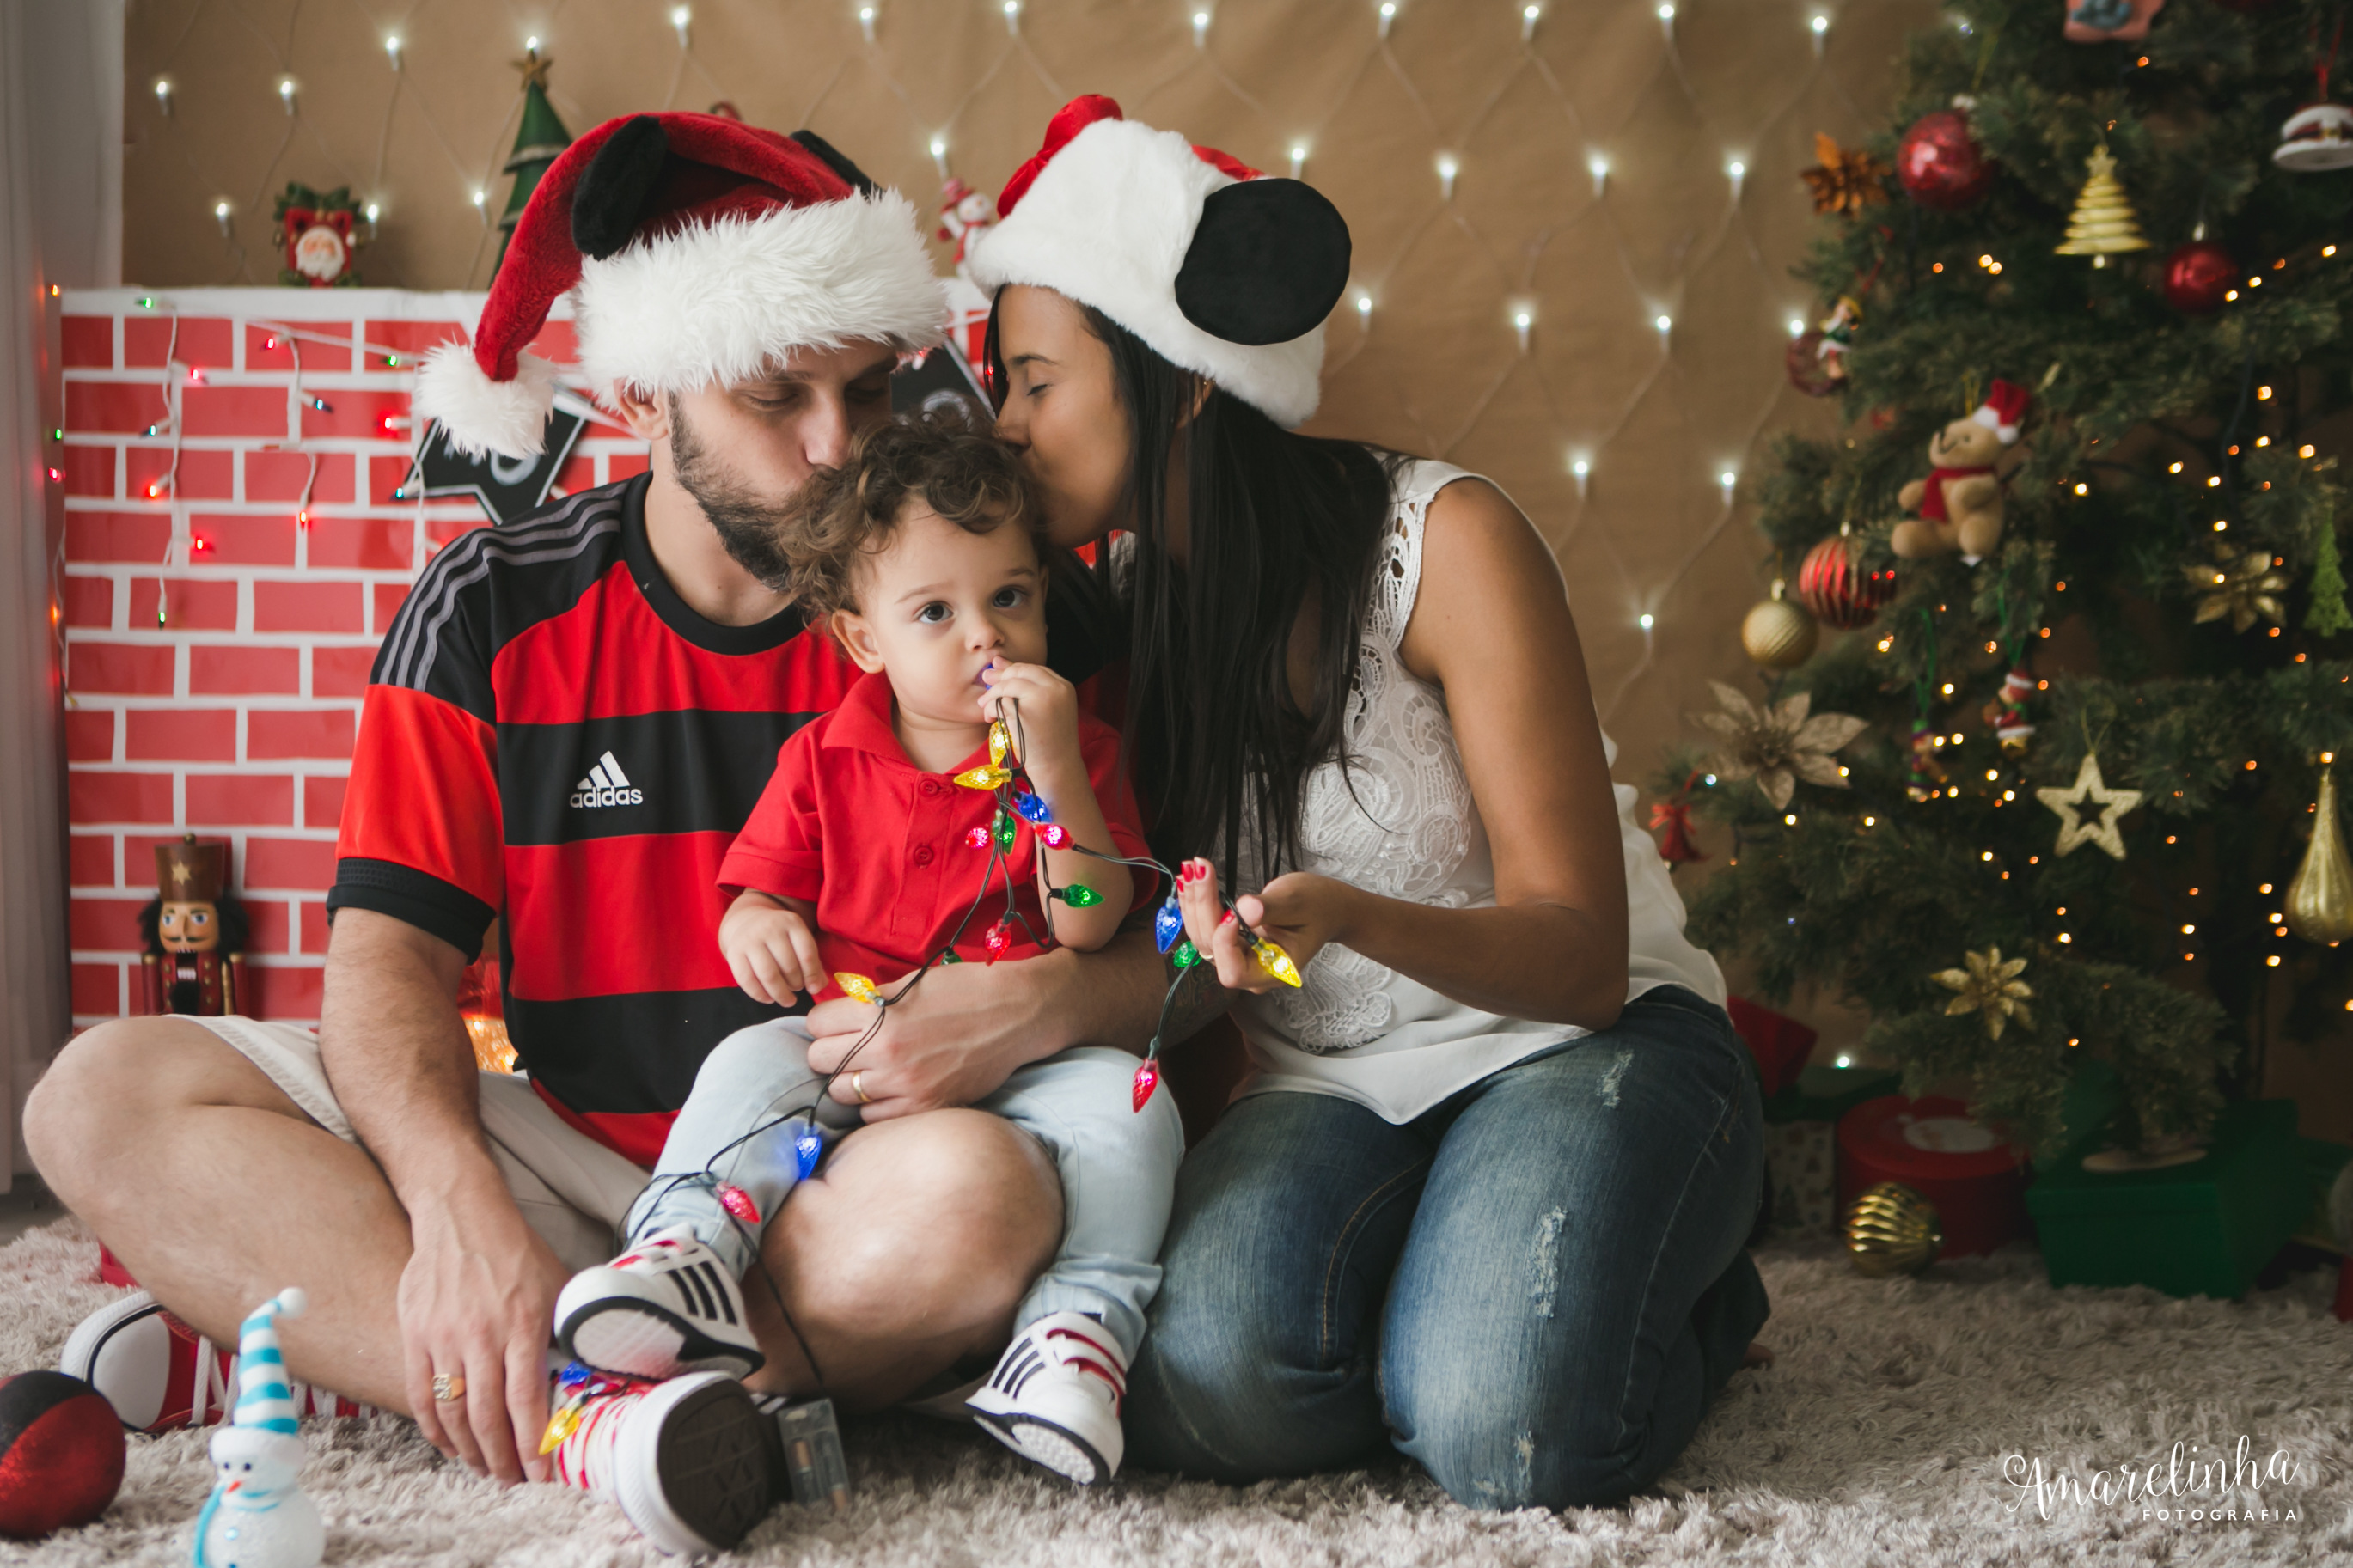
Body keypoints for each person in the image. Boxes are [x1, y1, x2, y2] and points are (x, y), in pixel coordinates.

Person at [29, 112, 1168, 1557]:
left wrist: (1034, 1010)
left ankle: (384, 1363)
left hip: (835, 1172)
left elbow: (1168, 950)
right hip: (563, 1161)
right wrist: (452, 1211)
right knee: (96, 1094)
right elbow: (384, 974)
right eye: (775, 398)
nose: (836, 449)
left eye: (868, 392)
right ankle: (593, 1406)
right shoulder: (492, 606)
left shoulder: (991, 601)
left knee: (981, 1198)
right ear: (640, 398)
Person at [968, 95, 1773, 1510]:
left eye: (1035, 381)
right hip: (1330, 1084)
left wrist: (1346, 914)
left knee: (1500, 1429)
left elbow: (1578, 957)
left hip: (1579, 1041)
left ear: (1182, 374)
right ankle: (1483, 1285)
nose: (1009, 427)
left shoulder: (1442, 540)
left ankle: (1677, 1288)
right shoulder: (1118, 610)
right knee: (1200, 1386)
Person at [549, 412, 1183, 1487]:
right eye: (934, 611)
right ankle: (685, 1248)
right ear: (862, 639)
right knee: (743, 1069)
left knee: (1138, 1109)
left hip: (1032, 1067)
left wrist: (1055, 773)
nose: (984, 635)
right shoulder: (825, 756)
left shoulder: (1075, 754)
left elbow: (1087, 919)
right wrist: (761, 928)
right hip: (843, 1043)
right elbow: (755, 895)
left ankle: (1074, 1335)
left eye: (1010, 596)